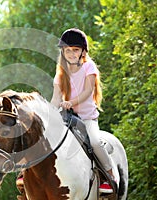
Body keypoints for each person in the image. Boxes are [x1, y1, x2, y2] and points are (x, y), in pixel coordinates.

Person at [50, 28, 114, 193]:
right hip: (67, 118)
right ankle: (25, 172)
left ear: (83, 51)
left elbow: (87, 92)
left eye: (75, 50)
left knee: (94, 142)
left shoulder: (89, 67)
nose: (71, 54)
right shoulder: (60, 73)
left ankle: (108, 175)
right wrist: (48, 114)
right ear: (63, 52)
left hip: (86, 118)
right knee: (45, 137)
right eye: (68, 50)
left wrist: (71, 102)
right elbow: (56, 98)